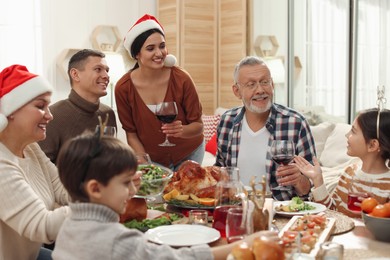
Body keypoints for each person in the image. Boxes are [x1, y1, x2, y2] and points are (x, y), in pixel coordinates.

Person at [53, 129, 277, 260]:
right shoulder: (115, 240)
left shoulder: (69, 227)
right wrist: (244, 243)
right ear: (95, 188)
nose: (133, 191)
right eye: (125, 183)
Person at [215, 56, 316, 201]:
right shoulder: (227, 121)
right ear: (237, 91)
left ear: (272, 84)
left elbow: (311, 186)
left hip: (280, 214)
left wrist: (299, 180)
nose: (260, 90)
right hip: (234, 210)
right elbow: (220, 171)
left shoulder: (295, 123)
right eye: (251, 84)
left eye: (265, 82)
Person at [115, 14, 204, 171]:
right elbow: (131, 132)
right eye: (150, 48)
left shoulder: (181, 78)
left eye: (162, 46)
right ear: (137, 54)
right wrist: (145, 163)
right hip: (152, 159)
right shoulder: (123, 88)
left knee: (182, 196)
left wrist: (182, 130)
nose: (159, 53)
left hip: (189, 153)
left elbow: (198, 126)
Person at [0, 65, 70, 259]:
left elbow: (64, 189)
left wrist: (105, 187)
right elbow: (41, 226)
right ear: (11, 111)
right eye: (40, 106)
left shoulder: (30, 148)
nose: (50, 115)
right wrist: (103, 202)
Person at [294, 108, 390, 218]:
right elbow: (333, 211)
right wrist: (317, 179)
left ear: (372, 145)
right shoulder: (349, 173)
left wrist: (375, 211)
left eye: (353, 131)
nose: (347, 135)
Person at [38, 49, 117, 164]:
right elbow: (43, 170)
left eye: (107, 70)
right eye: (98, 69)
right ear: (75, 74)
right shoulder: (53, 116)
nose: (106, 76)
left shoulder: (108, 113)